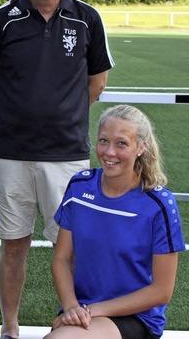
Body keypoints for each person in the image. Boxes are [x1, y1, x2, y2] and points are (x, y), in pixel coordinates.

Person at [0, 0, 114, 338]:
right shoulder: (2, 20)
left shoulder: (87, 19)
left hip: (67, 154)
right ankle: (11, 326)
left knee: (69, 247)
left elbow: (97, 82)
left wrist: (61, 114)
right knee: (13, 244)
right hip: (10, 153)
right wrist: (22, 115)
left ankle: (68, 322)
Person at [47, 104, 185, 339]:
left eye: (121, 143)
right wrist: (71, 307)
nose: (109, 152)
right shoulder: (79, 187)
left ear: (140, 147)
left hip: (135, 316)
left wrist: (91, 311)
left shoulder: (159, 204)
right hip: (81, 310)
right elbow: (61, 259)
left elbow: (162, 291)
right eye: (103, 141)